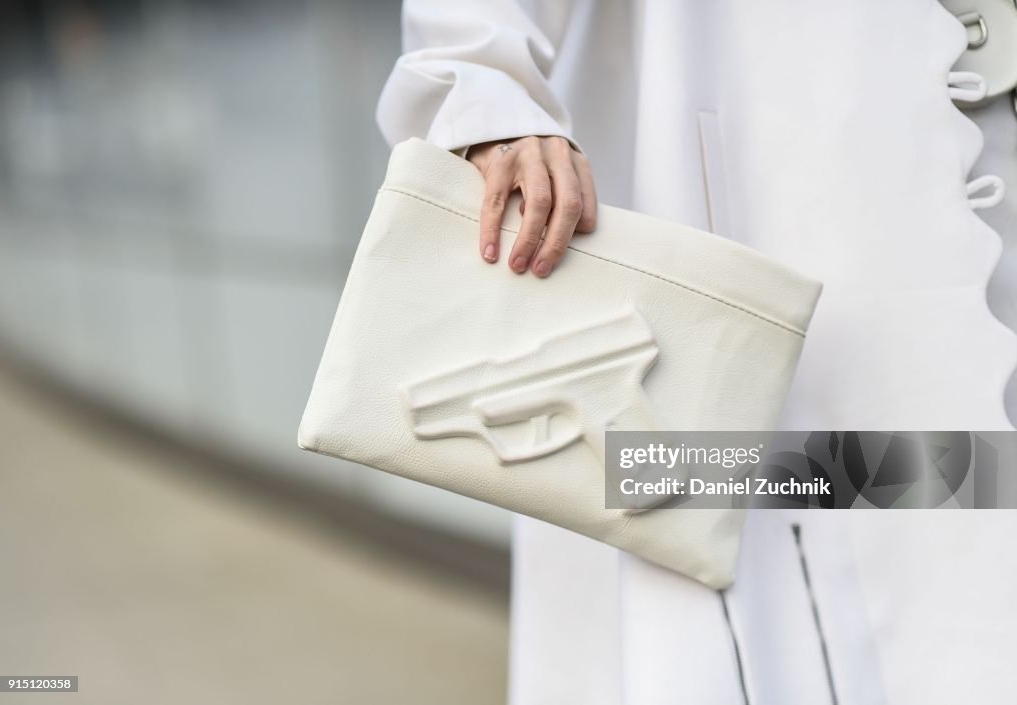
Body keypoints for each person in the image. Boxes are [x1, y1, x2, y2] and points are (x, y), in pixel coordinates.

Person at [376, 1, 1017, 703]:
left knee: (971, 536)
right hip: (769, 226)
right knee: (764, 604)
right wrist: (480, 94)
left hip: (968, 188)